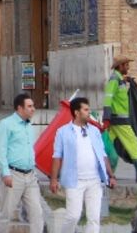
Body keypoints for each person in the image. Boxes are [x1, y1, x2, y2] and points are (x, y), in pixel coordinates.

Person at [51, 97, 115, 233]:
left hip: (95, 181)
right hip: (75, 181)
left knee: (94, 218)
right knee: (73, 216)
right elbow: (57, 157)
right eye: (86, 110)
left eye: (88, 109)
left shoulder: (95, 131)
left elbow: (103, 154)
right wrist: (53, 179)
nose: (89, 112)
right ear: (76, 112)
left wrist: (111, 175)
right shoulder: (63, 132)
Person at [0, 93, 45, 233]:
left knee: (37, 213)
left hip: (30, 176)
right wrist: (5, 173)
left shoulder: (29, 126)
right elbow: (1, 150)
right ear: (19, 108)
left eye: (33, 106)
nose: (33, 109)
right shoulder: (6, 124)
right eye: (29, 106)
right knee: (6, 214)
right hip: (13, 174)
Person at [104, 56, 137, 181]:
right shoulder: (114, 80)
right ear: (120, 66)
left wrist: (126, 79)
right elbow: (108, 98)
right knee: (135, 146)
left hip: (115, 120)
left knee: (106, 145)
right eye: (126, 65)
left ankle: (106, 173)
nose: (128, 67)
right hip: (119, 121)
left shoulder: (119, 79)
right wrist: (106, 118)